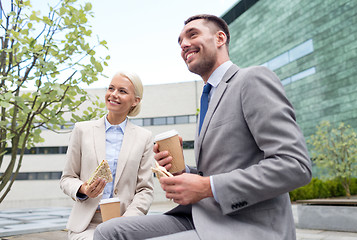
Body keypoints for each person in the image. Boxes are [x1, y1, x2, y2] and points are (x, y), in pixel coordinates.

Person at [94, 14, 312, 240]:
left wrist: (207, 187)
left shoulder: (251, 79)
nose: (183, 45)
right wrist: (183, 173)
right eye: (179, 41)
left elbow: (295, 165)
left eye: (192, 34)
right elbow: (215, 172)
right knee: (107, 231)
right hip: (202, 215)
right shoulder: (208, 97)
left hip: (246, 225)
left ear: (220, 38)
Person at [60, 71, 154, 240]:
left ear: (135, 101)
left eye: (122, 91)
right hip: (86, 225)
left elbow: (145, 189)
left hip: (125, 223)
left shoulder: (145, 138)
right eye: (111, 88)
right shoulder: (82, 130)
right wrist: (83, 189)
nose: (113, 95)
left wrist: (127, 221)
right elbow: (67, 178)